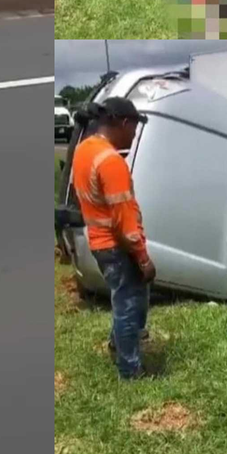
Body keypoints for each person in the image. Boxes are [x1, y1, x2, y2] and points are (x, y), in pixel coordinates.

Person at [72, 98, 155, 380]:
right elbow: (124, 222)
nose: (134, 135)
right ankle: (130, 371)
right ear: (123, 123)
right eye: (133, 128)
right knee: (128, 306)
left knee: (127, 300)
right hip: (118, 246)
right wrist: (143, 259)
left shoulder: (85, 151)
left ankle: (117, 345)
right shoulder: (111, 163)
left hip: (99, 242)